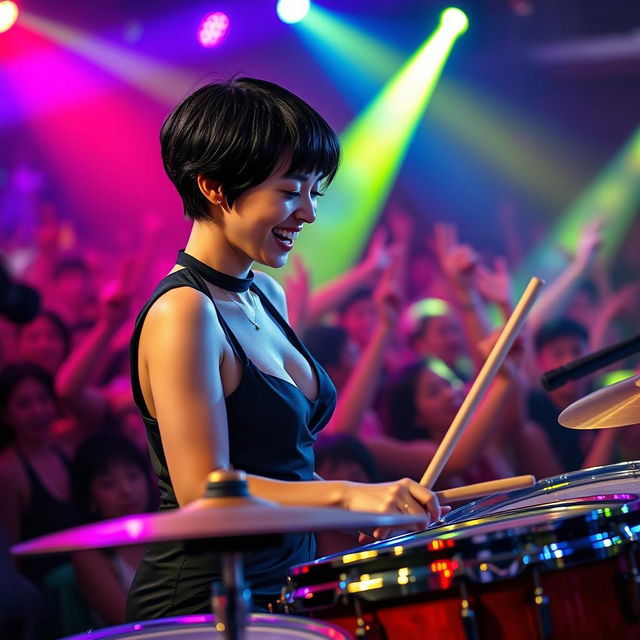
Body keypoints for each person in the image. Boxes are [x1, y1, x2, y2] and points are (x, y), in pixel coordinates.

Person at [126, 77, 441, 621]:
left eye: (314, 194)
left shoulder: (267, 294)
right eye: (291, 191)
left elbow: (282, 470)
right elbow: (205, 489)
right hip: (207, 603)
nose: (309, 214)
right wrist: (343, 496)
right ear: (215, 187)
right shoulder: (184, 312)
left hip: (286, 585)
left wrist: (365, 502)